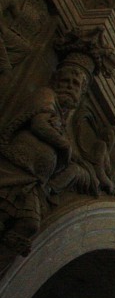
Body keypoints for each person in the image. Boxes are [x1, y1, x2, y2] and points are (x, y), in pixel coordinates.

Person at [0, 53, 95, 254]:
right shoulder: (46, 95)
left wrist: (88, 169)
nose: (70, 86)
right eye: (66, 81)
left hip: (33, 179)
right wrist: (66, 147)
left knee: (30, 223)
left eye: (75, 84)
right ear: (55, 80)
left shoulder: (62, 117)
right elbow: (39, 124)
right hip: (17, 168)